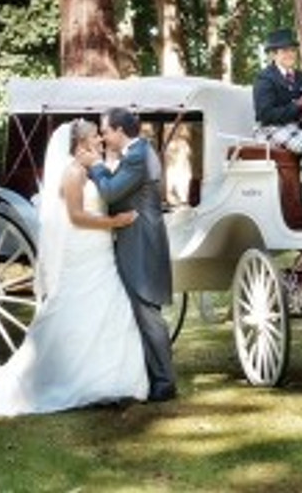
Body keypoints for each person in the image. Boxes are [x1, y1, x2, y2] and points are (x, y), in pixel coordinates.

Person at [0, 120, 148, 417]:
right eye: (95, 136)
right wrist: (114, 223)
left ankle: (111, 380)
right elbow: (75, 216)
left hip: (100, 248)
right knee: (77, 308)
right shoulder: (73, 172)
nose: (100, 139)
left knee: (111, 307)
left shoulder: (93, 169)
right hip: (83, 245)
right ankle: (66, 378)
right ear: (81, 143)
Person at [80, 108, 177, 403]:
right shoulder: (136, 154)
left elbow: (110, 193)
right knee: (141, 312)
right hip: (134, 240)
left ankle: (165, 382)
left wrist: (95, 165)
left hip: (141, 242)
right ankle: (152, 375)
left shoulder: (138, 156)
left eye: (106, 131)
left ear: (120, 130)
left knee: (147, 312)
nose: (104, 136)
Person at [253, 27, 302, 167]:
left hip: (295, 129)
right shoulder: (265, 78)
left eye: (292, 50)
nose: (290, 54)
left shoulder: (300, 77)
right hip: (270, 129)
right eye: (284, 51)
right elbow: (265, 114)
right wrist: (297, 106)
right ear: (274, 55)